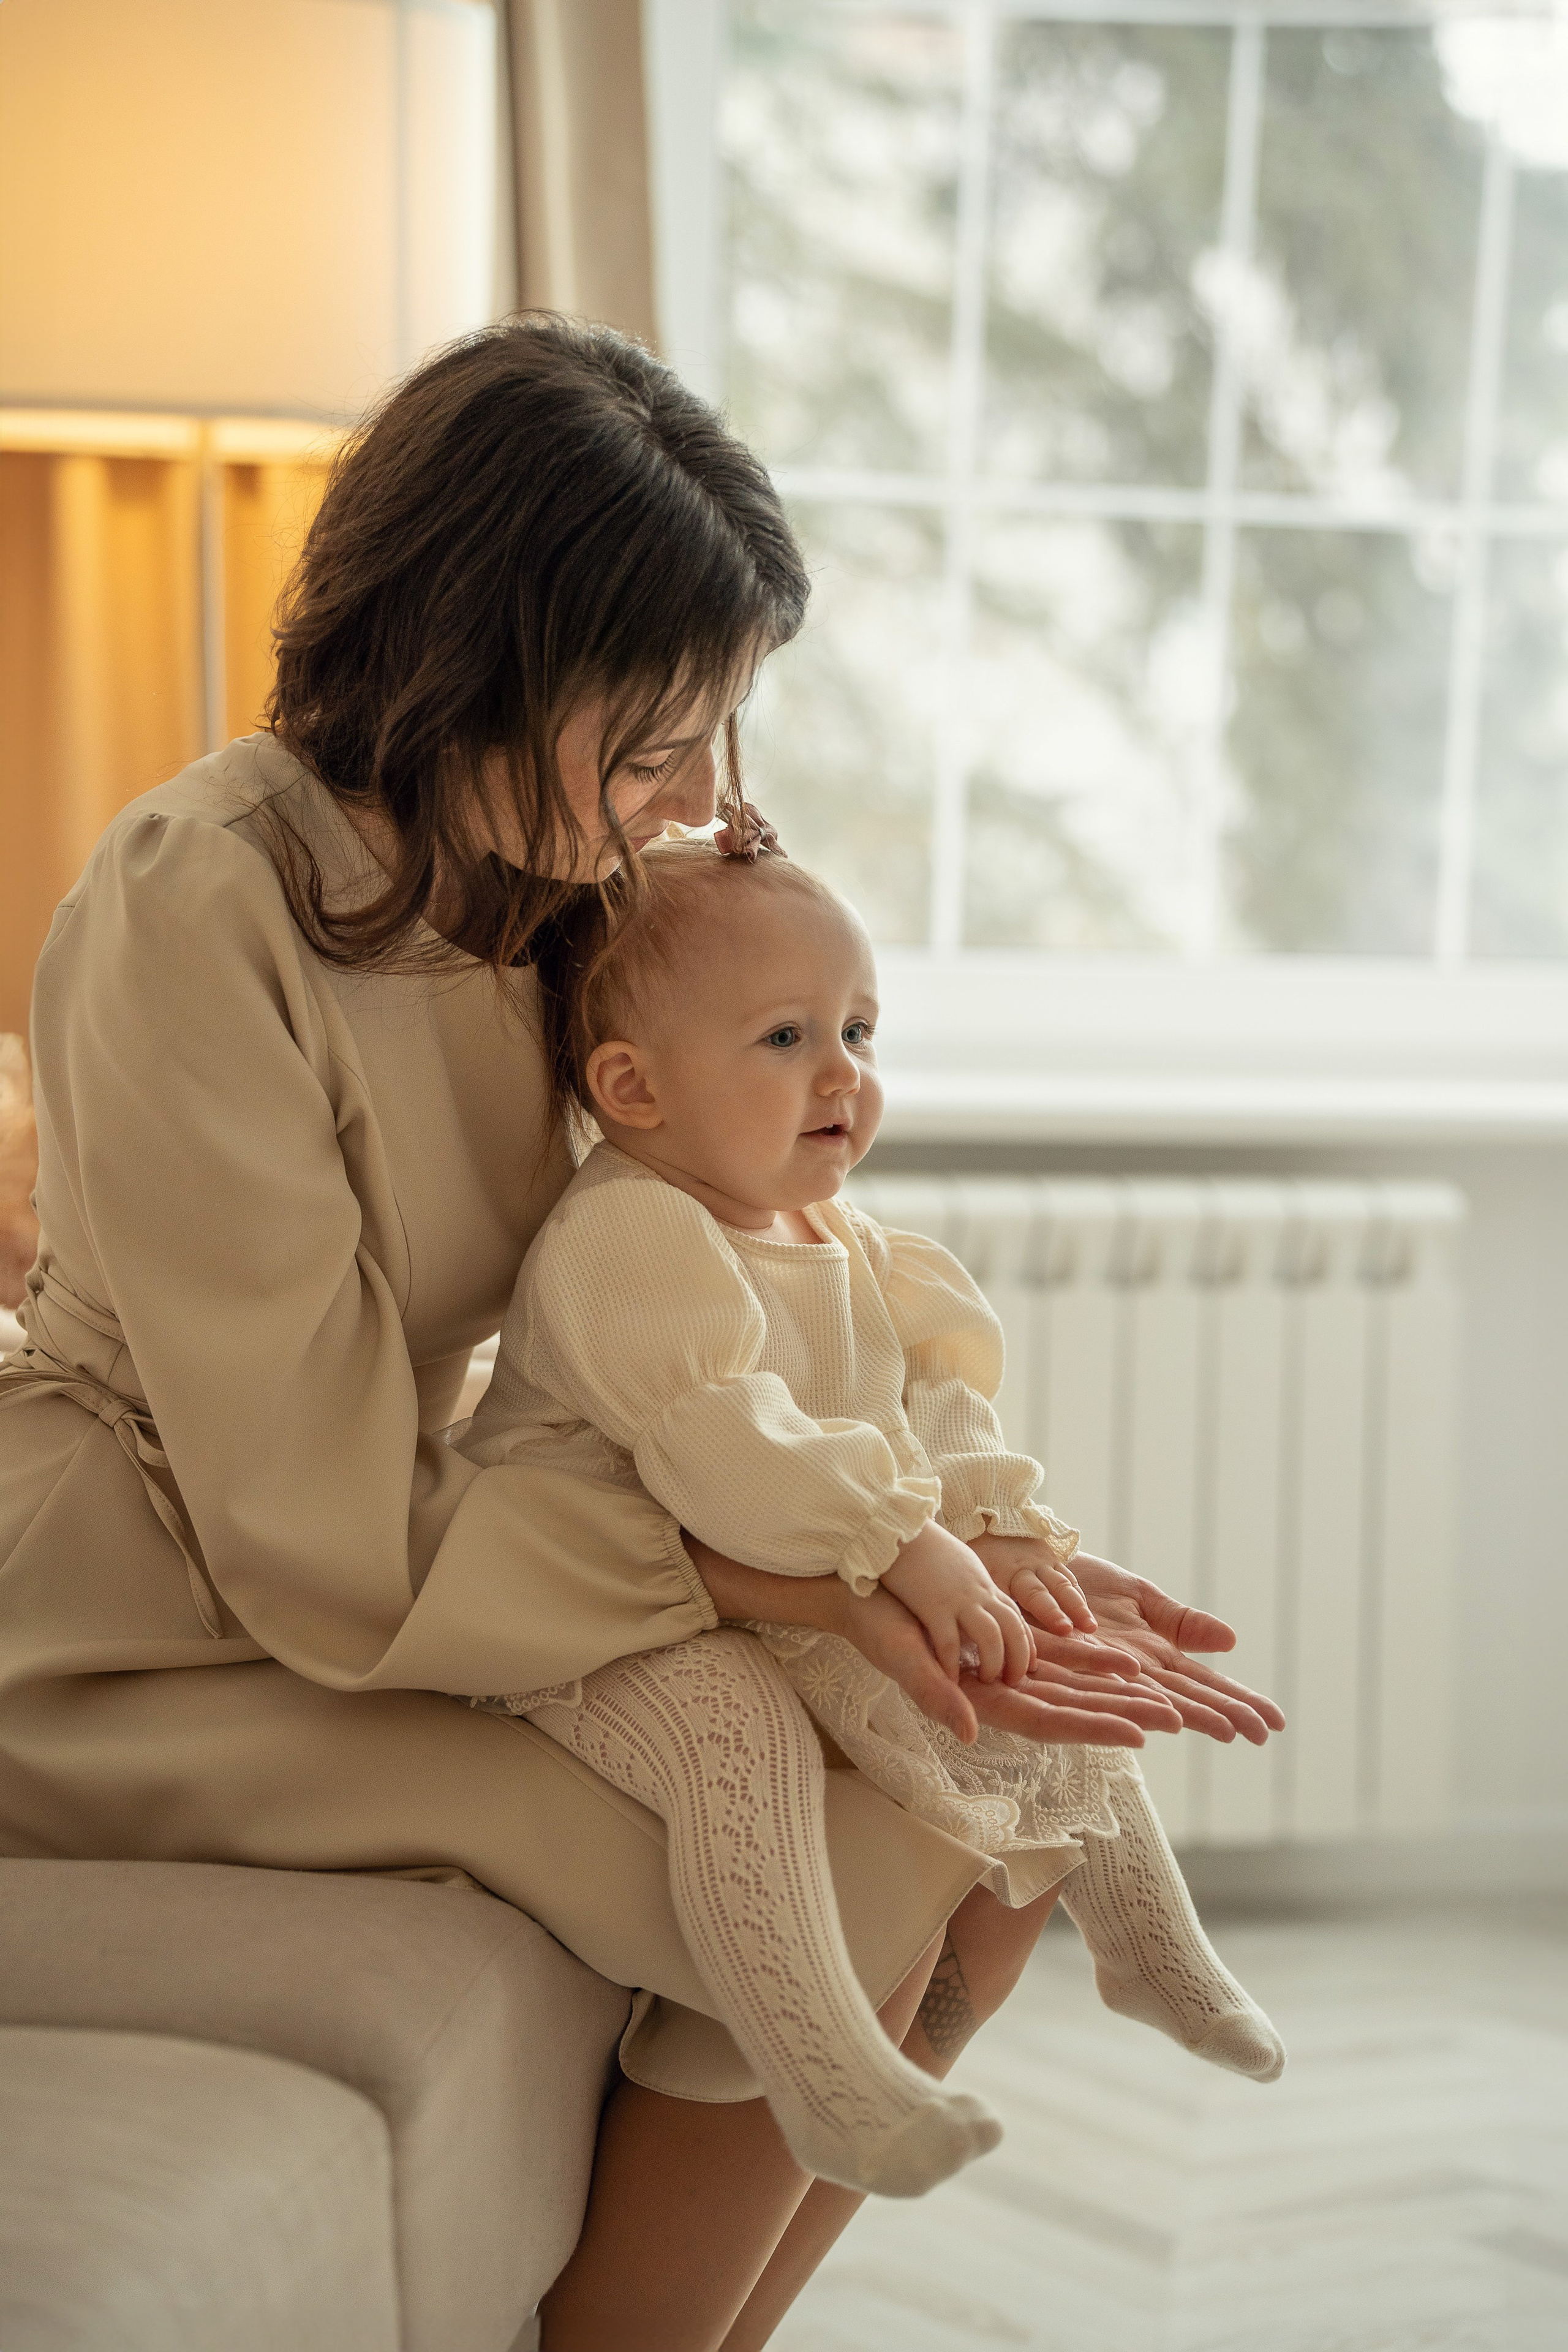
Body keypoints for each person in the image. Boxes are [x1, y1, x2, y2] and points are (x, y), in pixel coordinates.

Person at [0, 314, 1284, 2352]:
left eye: (719, 740)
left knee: (1008, 1758)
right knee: (880, 1839)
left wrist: (967, 1539)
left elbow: (742, 1247)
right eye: (657, 737)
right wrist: (821, 1577)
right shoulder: (196, 904)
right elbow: (315, 1527)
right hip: (154, 1605)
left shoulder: (538, 877)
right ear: (474, 653)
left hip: (410, 1537)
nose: (693, 798)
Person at [459, 829, 1284, 2199]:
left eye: (857, 1027)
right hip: (595, 1614)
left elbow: (933, 1411)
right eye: (786, 1037)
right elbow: (729, 1441)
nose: (843, 1072)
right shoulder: (631, 1231)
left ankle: (1142, 1936)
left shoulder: (840, 1241)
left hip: (770, 1578)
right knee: (732, 1736)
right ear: (632, 1087)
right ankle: (829, 2080)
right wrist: (906, 1546)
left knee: (1035, 1657)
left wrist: (1004, 1539)